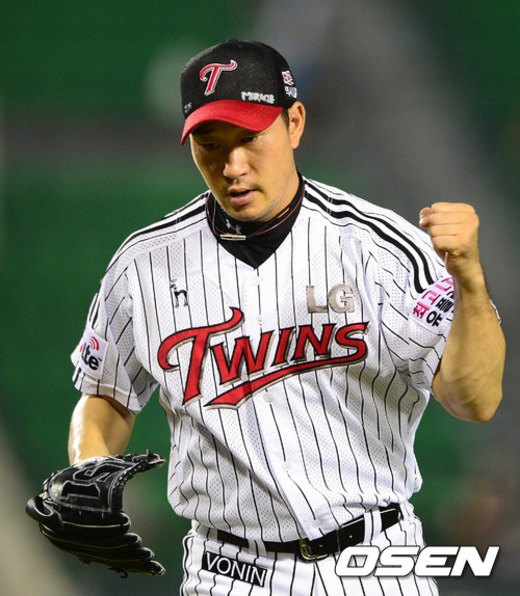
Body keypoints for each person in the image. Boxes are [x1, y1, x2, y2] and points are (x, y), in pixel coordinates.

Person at [67, 39, 505, 595]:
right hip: (227, 571)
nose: (232, 166)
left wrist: (470, 283)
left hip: (373, 560)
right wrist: (88, 473)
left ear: (294, 123)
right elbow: (106, 397)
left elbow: (474, 400)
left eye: (250, 138)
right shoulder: (143, 266)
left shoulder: (379, 249)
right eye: (210, 143)